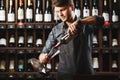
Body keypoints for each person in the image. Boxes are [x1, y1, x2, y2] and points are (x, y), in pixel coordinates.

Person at [38, 0, 104, 80]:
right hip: (64, 76)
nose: (60, 14)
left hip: (85, 74)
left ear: (72, 7)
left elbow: (101, 20)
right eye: (57, 12)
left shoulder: (86, 24)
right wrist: (42, 57)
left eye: (62, 10)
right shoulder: (56, 30)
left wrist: (79, 22)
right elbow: (44, 52)